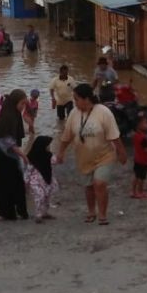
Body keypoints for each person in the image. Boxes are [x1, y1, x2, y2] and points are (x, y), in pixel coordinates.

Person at [57, 84, 127, 226]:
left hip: (105, 155)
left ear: (86, 99)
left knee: (99, 183)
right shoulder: (74, 113)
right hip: (84, 157)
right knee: (88, 186)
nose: (74, 102)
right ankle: (91, 211)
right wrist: (61, 152)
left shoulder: (104, 112)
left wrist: (121, 153)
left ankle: (102, 214)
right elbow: (67, 136)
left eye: (76, 99)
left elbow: (114, 136)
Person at [0, 89, 30, 220]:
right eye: (22, 104)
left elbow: (14, 139)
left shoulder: (14, 114)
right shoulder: (8, 116)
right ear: (15, 102)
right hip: (1, 156)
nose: (23, 107)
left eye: (24, 104)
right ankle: (5, 212)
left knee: (16, 182)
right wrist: (23, 155)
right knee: (4, 183)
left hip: (9, 155)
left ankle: (19, 211)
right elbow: (8, 141)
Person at [24, 136, 59, 224]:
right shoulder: (32, 157)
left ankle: (45, 213)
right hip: (36, 181)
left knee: (47, 197)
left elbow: (55, 161)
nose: (49, 147)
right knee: (40, 196)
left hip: (47, 180)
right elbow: (28, 170)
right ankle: (38, 215)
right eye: (47, 145)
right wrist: (25, 182)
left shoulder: (49, 155)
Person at [131, 116, 147, 199]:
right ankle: (140, 192)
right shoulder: (143, 137)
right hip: (143, 160)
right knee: (141, 178)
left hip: (137, 159)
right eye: (145, 123)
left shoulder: (136, 135)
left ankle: (133, 192)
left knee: (136, 176)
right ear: (139, 125)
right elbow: (146, 149)